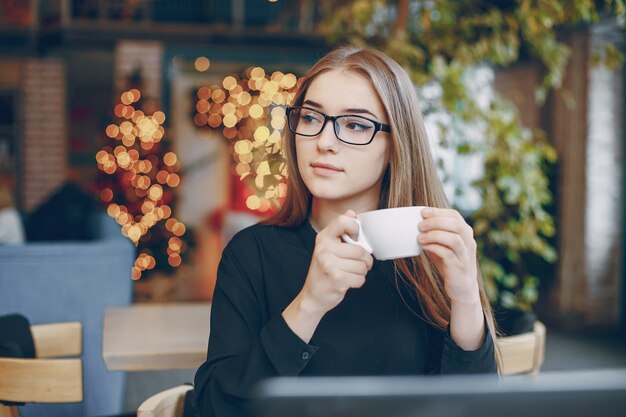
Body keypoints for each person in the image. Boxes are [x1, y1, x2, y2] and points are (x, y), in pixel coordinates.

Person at [194, 46, 498, 417]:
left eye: (355, 125)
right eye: (310, 118)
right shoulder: (250, 254)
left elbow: (473, 408)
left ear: (395, 146)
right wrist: (310, 303)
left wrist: (466, 299)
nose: (323, 141)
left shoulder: (429, 256)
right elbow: (212, 408)